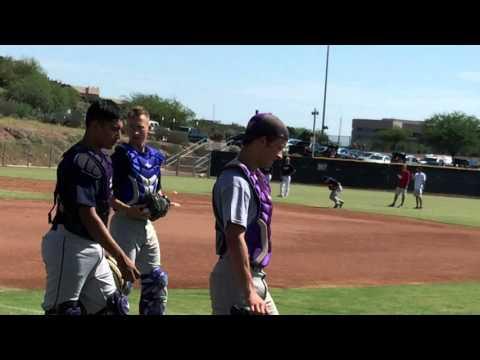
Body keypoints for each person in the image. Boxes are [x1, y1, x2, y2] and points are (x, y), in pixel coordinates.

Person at [41, 100, 140, 315]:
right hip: (71, 244)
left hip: (92, 245)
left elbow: (105, 202)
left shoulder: (101, 159)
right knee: (64, 311)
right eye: (114, 129)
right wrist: (121, 257)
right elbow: (88, 215)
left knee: (114, 308)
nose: (118, 136)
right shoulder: (80, 162)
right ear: (95, 126)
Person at [210, 112, 289, 315]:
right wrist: (249, 292)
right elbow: (235, 236)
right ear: (262, 141)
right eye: (278, 147)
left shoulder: (255, 177)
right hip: (236, 280)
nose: (280, 155)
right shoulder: (237, 181)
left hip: (254, 277)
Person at [110, 106, 173, 315]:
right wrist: (128, 210)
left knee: (156, 280)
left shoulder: (155, 157)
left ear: (149, 128)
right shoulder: (120, 156)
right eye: (131, 127)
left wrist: (162, 201)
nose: (136, 132)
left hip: (146, 226)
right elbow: (107, 195)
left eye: (140, 127)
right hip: (125, 224)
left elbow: (158, 188)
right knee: (121, 282)